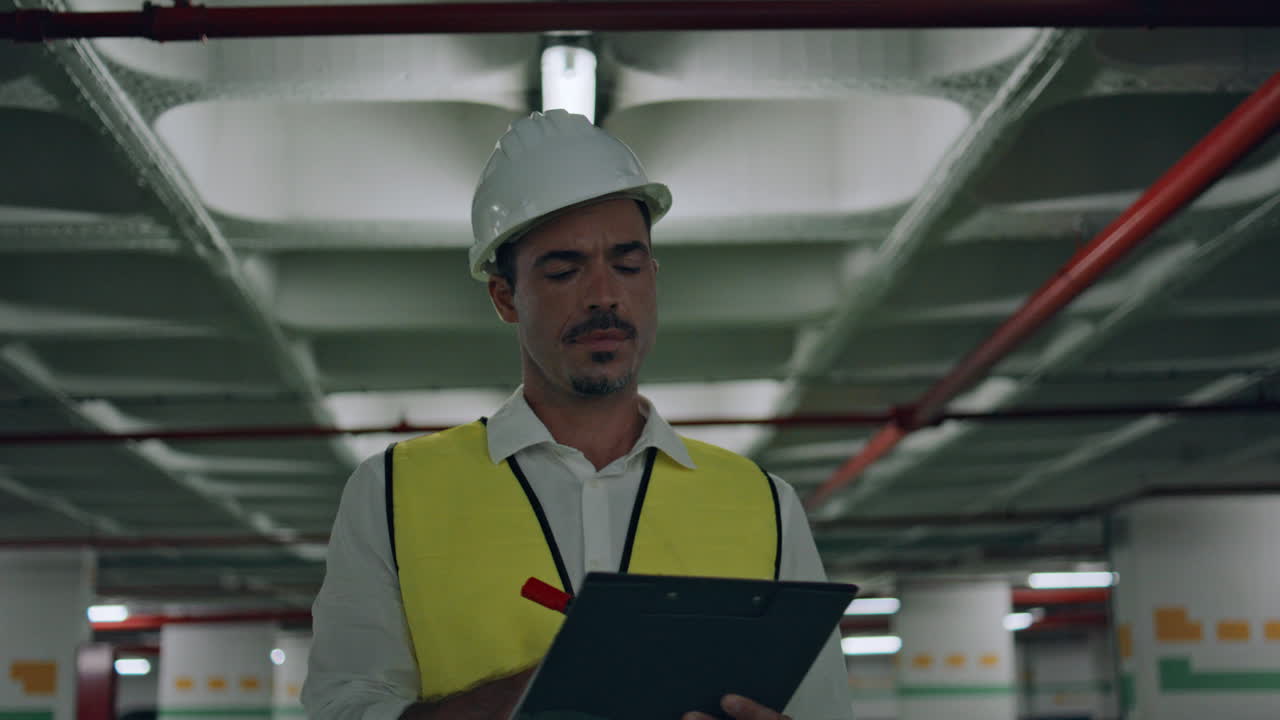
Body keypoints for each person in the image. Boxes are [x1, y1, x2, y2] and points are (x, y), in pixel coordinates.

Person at [302, 110, 853, 720]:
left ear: (653, 277)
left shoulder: (764, 505)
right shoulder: (391, 493)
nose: (604, 296)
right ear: (505, 296)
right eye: (564, 270)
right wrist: (546, 690)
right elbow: (343, 711)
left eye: (627, 264)